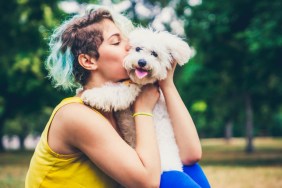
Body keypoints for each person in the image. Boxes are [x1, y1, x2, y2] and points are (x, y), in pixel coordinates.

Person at [25, 6, 210, 188]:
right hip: (146, 180)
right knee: (172, 179)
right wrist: (143, 109)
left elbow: (190, 154)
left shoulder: (125, 101)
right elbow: (147, 182)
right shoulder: (74, 114)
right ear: (88, 61)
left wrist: (167, 84)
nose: (129, 47)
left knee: (190, 169)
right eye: (116, 42)